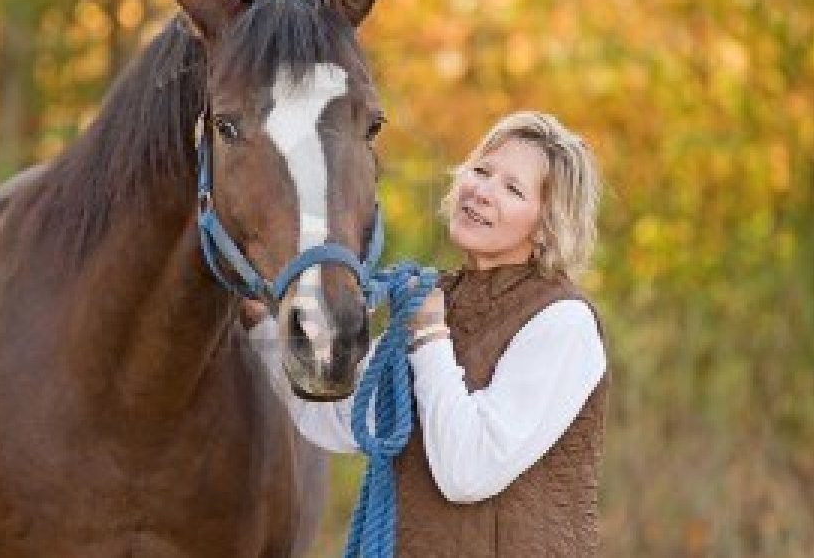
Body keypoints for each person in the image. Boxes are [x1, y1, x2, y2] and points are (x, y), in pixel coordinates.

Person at [244, 111, 608, 556]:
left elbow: (467, 471)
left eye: (512, 189)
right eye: (481, 171)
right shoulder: (434, 302)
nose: (482, 192)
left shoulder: (563, 323)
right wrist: (260, 325)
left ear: (548, 225)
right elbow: (334, 417)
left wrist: (431, 335)